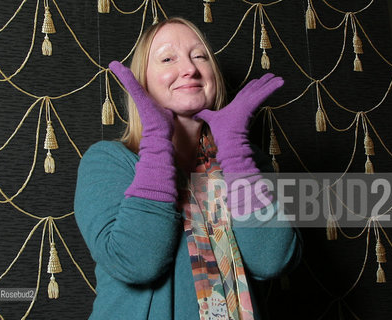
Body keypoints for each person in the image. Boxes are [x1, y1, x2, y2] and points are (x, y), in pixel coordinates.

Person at [74, 17, 301, 320]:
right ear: (142, 83)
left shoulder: (248, 163)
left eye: (200, 56)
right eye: (168, 58)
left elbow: (271, 261)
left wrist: (234, 147)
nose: (190, 69)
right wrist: (156, 138)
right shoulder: (108, 161)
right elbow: (137, 262)